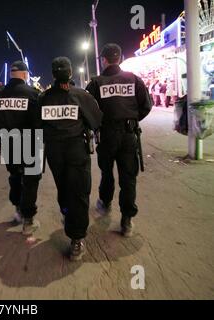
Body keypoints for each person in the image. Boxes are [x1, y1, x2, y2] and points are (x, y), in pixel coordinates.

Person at [38, 57, 102, 261]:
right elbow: (96, 121)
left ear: (53, 75)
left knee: (64, 189)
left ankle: (67, 213)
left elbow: (36, 125)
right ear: (71, 73)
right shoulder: (81, 96)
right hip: (76, 151)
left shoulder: (44, 98)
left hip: (54, 153)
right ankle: (77, 238)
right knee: (80, 193)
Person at [86, 43, 152, 237]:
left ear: (104, 60)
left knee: (107, 173)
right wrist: (131, 120)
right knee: (128, 178)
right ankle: (127, 220)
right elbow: (146, 105)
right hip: (129, 135)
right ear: (120, 59)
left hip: (107, 135)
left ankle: (105, 203)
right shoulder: (134, 79)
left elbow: (88, 111)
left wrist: (99, 125)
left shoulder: (96, 83)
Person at [0, 61, 42, 236]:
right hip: (30, 143)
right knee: (31, 180)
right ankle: (28, 220)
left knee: (15, 175)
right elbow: (41, 121)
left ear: (11, 74)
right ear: (24, 74)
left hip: (9, 143)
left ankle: (18, 209)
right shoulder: (33, 94)